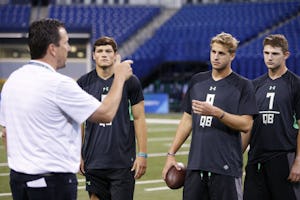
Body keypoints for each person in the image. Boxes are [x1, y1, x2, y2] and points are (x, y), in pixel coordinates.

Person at [0, 18, 133, 200]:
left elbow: (6, 133)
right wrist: (119, 77)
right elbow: (106, 113)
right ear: (52, 49)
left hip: (18, 179)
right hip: (52, 182)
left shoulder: (12, 81)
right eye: (66, 43)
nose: (69, 48)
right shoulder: (59, 84)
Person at [162, 32, 258, 200]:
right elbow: (187, 120)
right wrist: (171, 154)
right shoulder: (197, 81)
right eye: (213, 52)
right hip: (196, 166)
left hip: (225, 167)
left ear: (232, 55)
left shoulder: (243, 85)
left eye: (221, 53)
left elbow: (246, 124)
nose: (216, 57)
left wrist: (217, 113)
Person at [77, 36, 147, 200]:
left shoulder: (130, 82)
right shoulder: (83, 83)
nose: (104, 54)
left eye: (108, 51)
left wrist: (142, 154)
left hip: (122, 162)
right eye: (99, 51)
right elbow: (78, 121)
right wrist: (78, 154)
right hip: (93, 160)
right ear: (93, 55)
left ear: (115, 55)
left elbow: (139, 118)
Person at [243, 34, 300, 200]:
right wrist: (237, 157)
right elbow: (248, 125)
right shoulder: (254, 86)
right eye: (266, 53)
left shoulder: (296, 84)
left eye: (275, 53)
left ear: (286, 55)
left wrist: (298, 161)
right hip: (256, 160)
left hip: (283, 159)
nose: (269, 57)